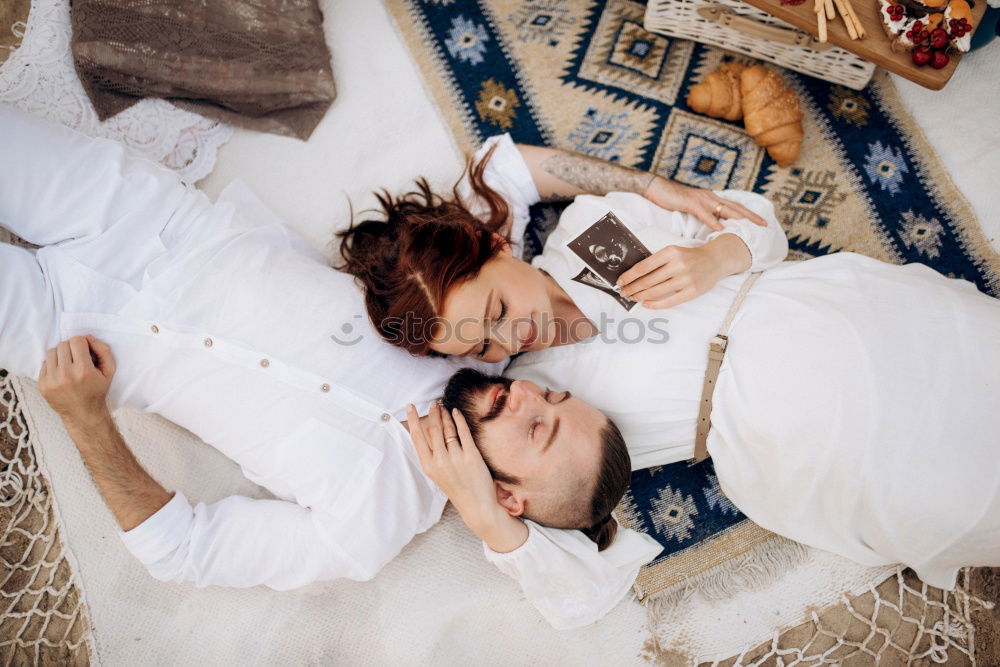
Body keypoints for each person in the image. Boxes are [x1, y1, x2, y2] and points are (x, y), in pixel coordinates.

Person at [1, 103, 746, 625]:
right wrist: (649, 186)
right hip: (148, 218)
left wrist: (85, 419)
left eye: (540, 430)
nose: (527, 397)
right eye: (547, 405)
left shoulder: (366, 528)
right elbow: (503, 170)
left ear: (511, 501)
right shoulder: (454, 332)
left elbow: (181, 550)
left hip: (79, 346)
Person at [350, 174, 1000, 627]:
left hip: (822, 310)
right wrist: (483, 511)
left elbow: (759, 221)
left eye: (497, 308)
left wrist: (717, 256)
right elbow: (579, 588)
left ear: (496, 247)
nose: (506, 340)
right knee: (964, 491)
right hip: (797, 437)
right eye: (478, 342)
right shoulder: (527, 411)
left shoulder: (590, 234)